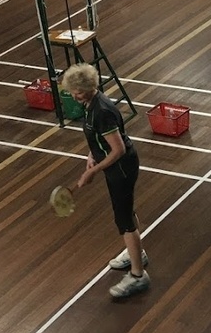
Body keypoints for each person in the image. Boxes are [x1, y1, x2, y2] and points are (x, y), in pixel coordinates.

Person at [61, 63, 150, 299]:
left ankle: (138, 276)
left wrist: (92, 172)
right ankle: (137, 255)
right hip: (114, 166)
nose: (74, 96)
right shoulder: (90, 105)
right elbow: (99, 141)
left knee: (123, 220)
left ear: (90, 88)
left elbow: (118, 149)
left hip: (121, 168)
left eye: (77, 92)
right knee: (126, 211)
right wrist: (92, 155)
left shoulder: (102, 111)